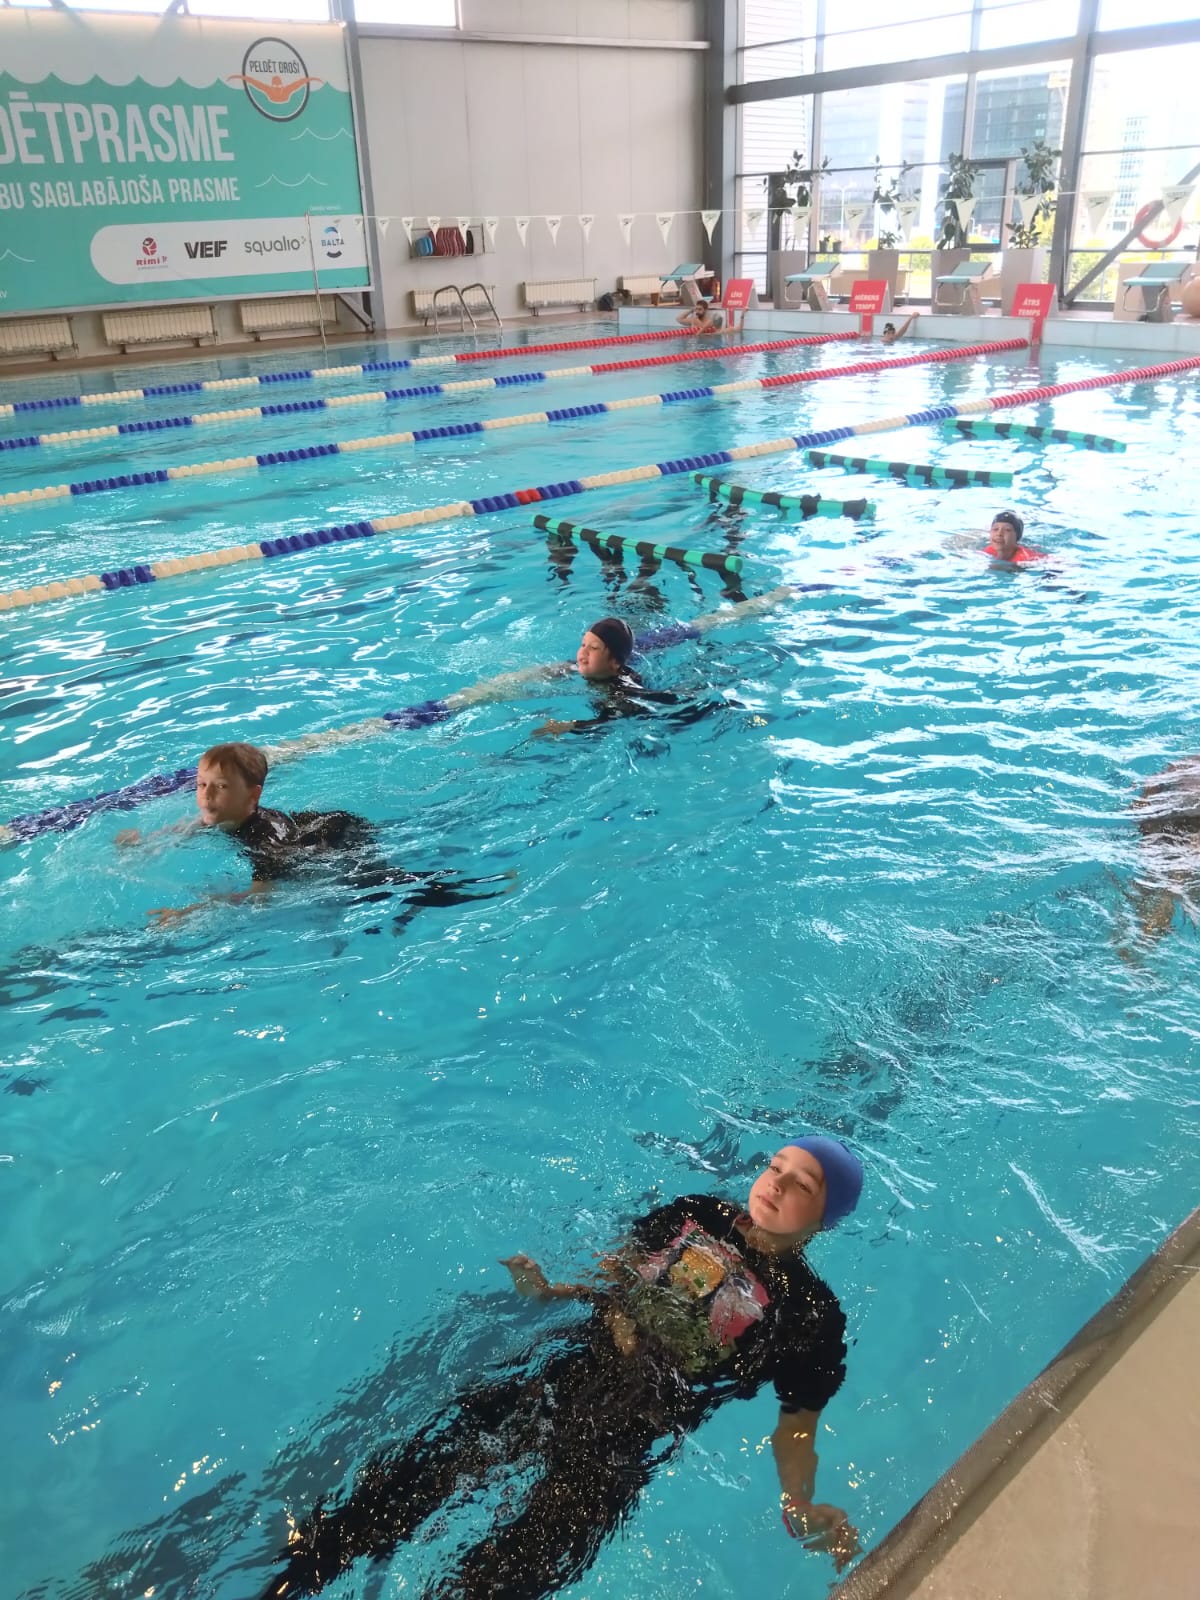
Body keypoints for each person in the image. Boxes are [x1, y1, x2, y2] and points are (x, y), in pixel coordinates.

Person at [257, 1136, 865, 1600]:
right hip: (560, 1372)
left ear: (825, 1218)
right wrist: (548, 1292)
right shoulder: (696, 1212)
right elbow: (612, 1282)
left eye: (802, 1185)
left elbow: (797, 1424)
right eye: (775, 1167)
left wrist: (799, 1503)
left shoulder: (812, 1316)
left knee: (508, 1578)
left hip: (625, 1436)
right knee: (398, 1493)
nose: (776, 1184)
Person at [116, 741, 511, 927]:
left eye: (220, 787)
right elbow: (191, 826)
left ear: (252, 796)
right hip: (312, 825)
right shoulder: (218, 813)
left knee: (380, 883)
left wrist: (190, 913)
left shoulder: (264, 844)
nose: (206, 795)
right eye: (201, 785)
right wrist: (146, 843)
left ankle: (474, 888)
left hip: (327, 842)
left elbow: (258, 897)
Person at [532, 616, 708, 738]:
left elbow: (606, 722)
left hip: (672, 713)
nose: (583, 652)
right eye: (583, 644)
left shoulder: (622, 691)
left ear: (615, 662)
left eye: (594, 648)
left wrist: (569, 726)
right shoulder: (601, 669)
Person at [1122, 755, 1200, 951]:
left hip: (1166, 819)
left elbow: (1144, 796)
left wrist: (1146, 829)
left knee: (1146, 882)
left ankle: (1126, 941)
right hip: (1193, 830)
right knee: (1176, 885)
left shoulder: (1184, 763)